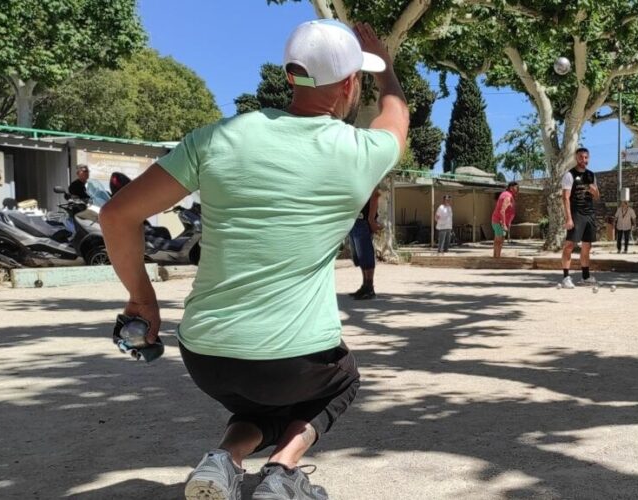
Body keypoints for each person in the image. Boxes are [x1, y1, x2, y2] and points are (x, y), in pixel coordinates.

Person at [99, 20, 408, 500]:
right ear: (350, 84)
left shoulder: (216, 138)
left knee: (263, 398)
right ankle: (283, 473)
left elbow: (118, 214)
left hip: (206, 356)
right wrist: (386, 71)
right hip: (298, 361)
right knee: (336, 383)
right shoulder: (362, 150)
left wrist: (142, 298)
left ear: (291, 75)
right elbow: (396, 115)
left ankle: (224, 459)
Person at [560, 148, 600, 288]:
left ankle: (585, 277)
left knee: (587, 246)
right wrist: (568, 218)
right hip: (576, 213)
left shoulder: (591, 175)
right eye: (581, 157)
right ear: (576, 158)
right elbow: (565, 198)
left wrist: (594, 192)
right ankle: (566, 277)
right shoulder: (569, 175)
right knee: (570, 245)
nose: (584, 160)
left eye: (586, 157)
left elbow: (597, 196)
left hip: (589, 213)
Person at [349, 188, 381, 300]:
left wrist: (371, 219)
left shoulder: (370, 176)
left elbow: (375, 195)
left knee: (365, 253)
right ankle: (365, 285)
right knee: (359, 256)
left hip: (364, 220)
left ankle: (370, 288)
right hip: (355, 219)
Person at [491, 181, 519, 258]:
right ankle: (497, 258)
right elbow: (502, 210)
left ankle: (496, 257)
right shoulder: (507, 196)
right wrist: (503, 224)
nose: (517, 189)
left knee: (499, 240)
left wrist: (508, 223)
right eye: (516, 187)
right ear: (511, 188)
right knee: (499, 241)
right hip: (499, 222)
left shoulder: (506, 194)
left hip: (499, 221)